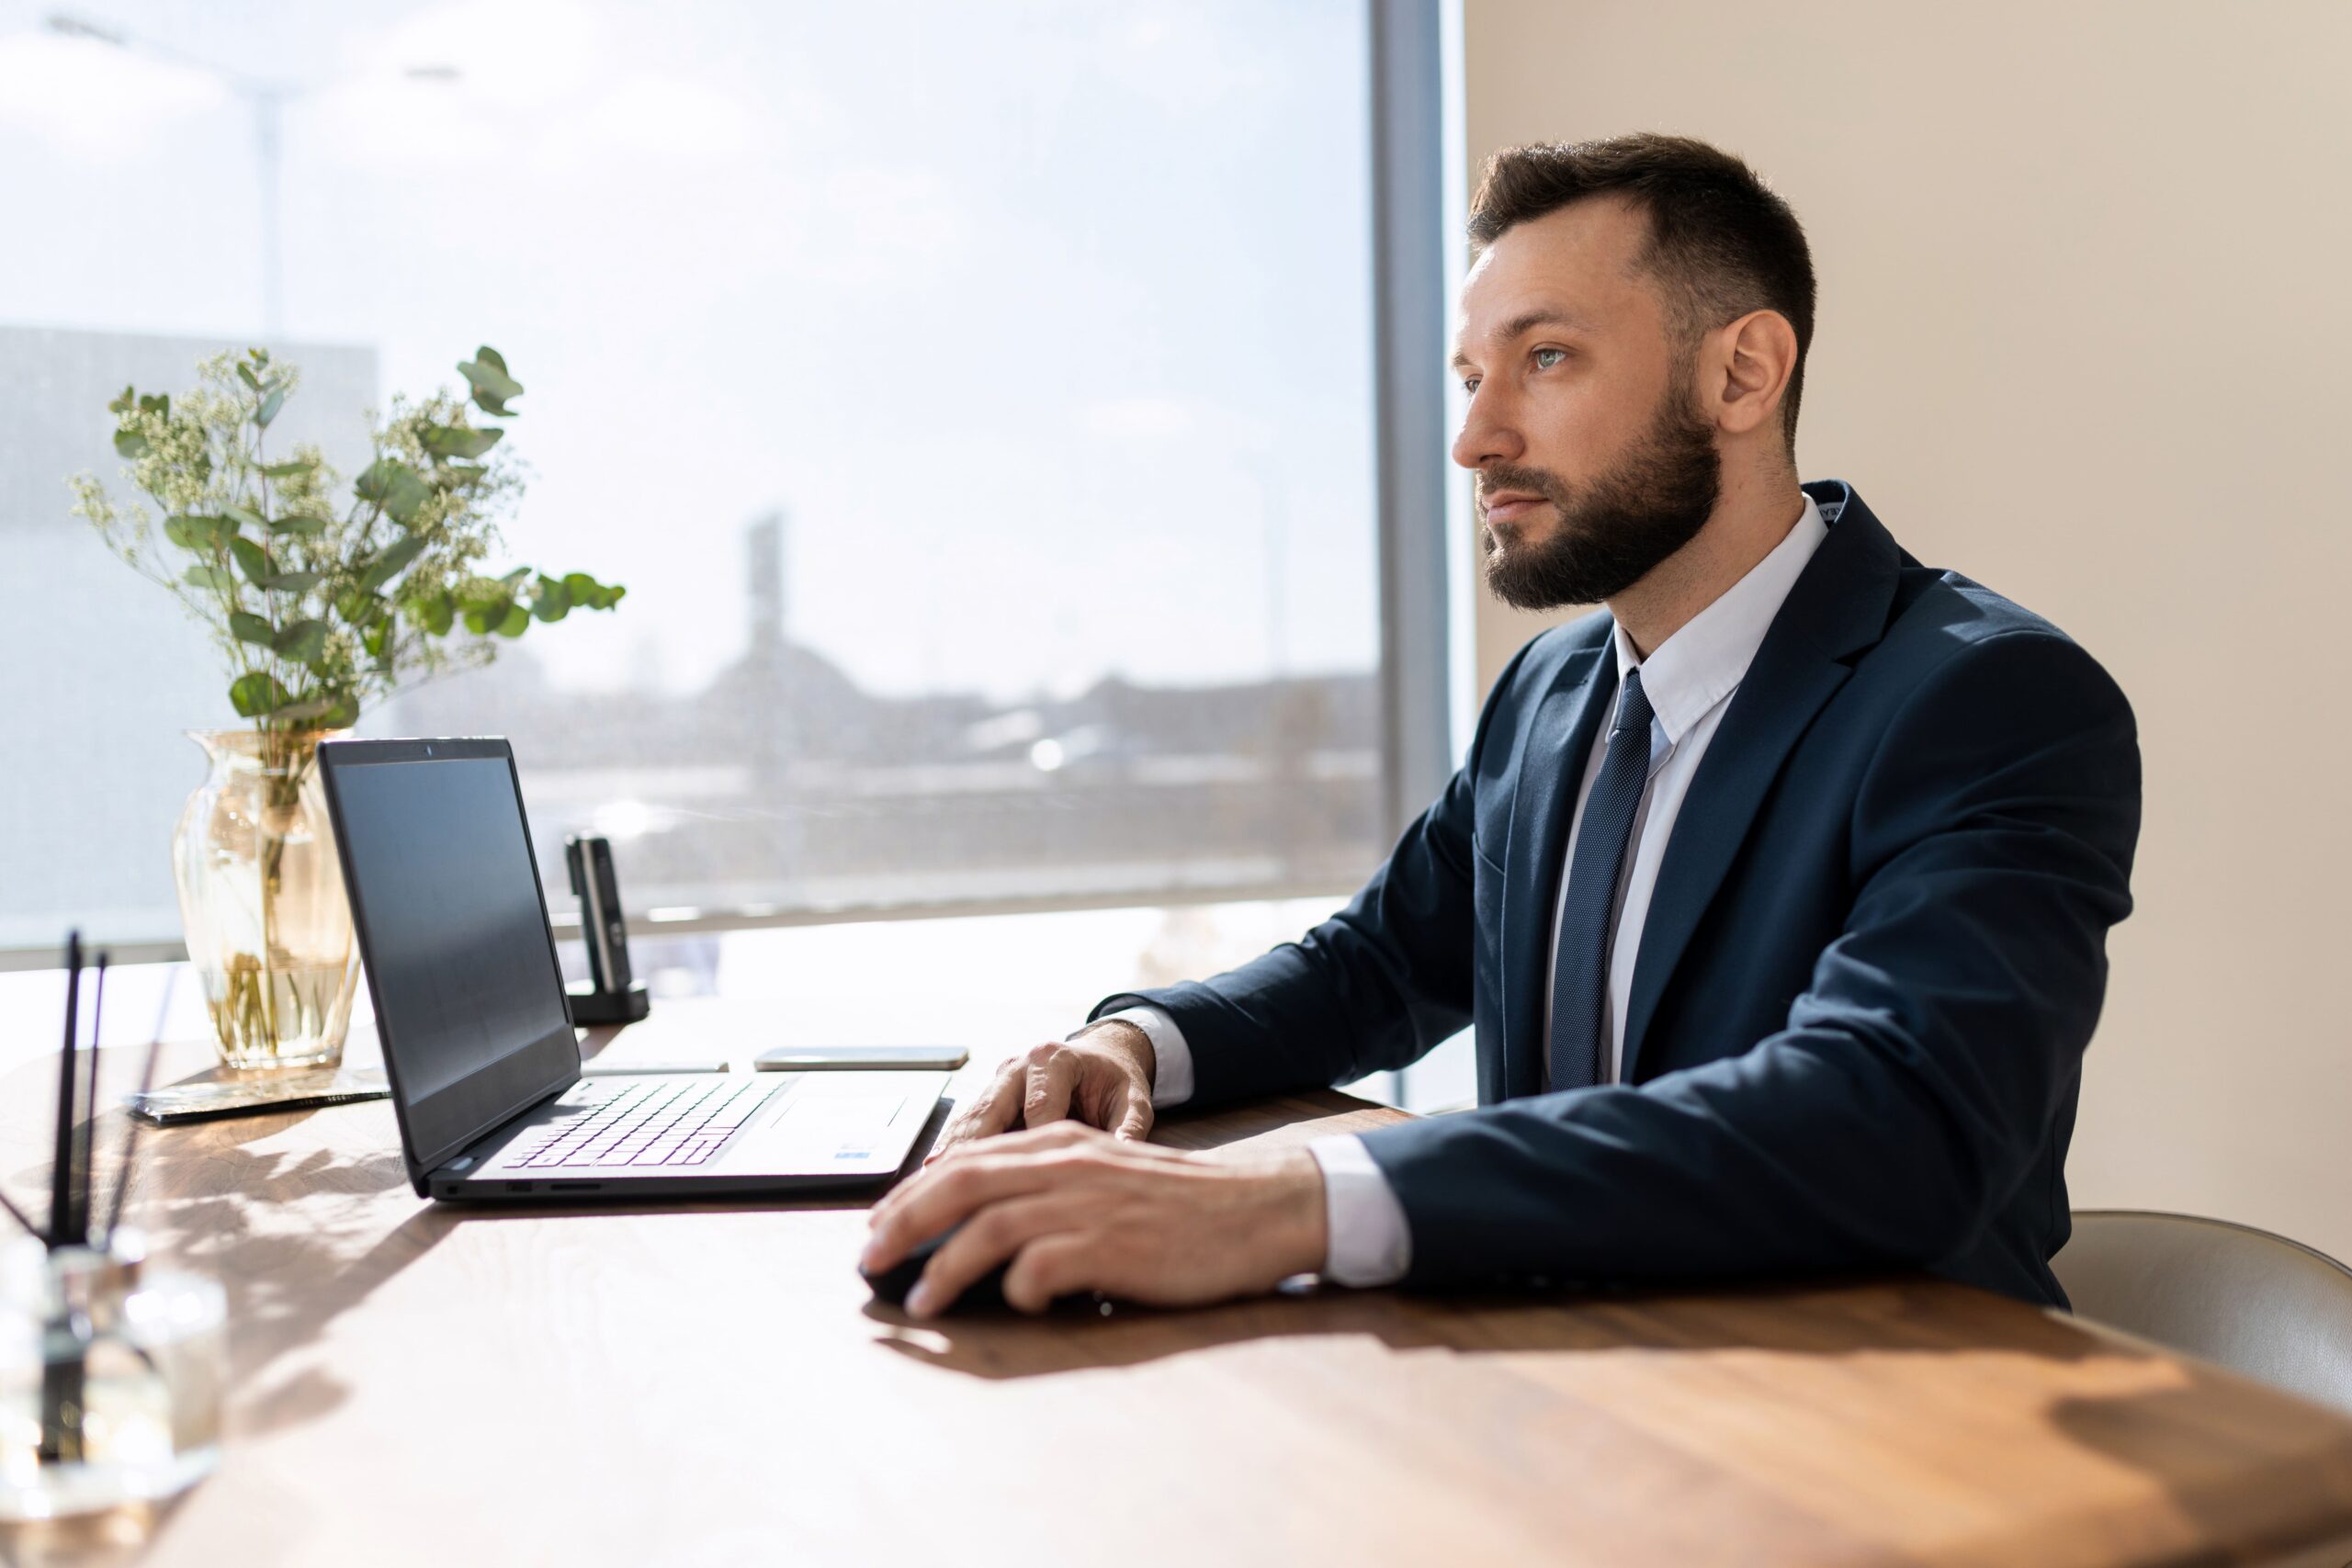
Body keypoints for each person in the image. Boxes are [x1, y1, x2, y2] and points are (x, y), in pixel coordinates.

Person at [861, 132, 2141, 1318]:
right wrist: (1133, 1041)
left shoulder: (1989, 699)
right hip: (1570, 1386)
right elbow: (1379, 964)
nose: (1476, 436)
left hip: (1887, 1422)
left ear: (1742, 372)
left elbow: (1893, 1122)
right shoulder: (1556, 687)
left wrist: (1294, 1210)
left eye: (1545, 358)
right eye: (1472, 375)